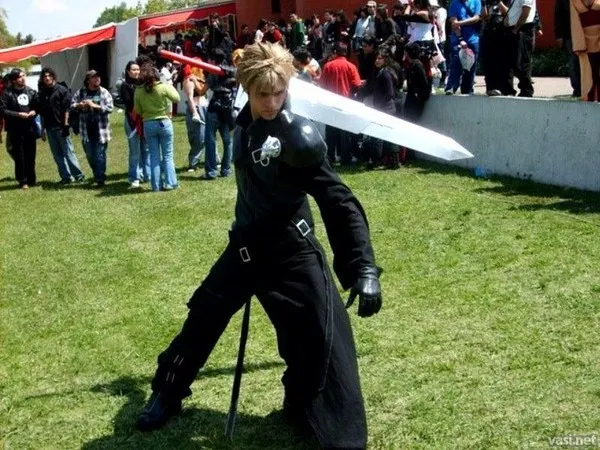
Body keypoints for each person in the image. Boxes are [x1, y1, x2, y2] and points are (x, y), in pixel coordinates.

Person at [135, 42, 383, 450]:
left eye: (279, 93)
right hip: (246, 247)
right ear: (247, 89)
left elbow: (338, 200)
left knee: (323, 337)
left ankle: (309, 410)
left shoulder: (298, 136)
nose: (271, 102)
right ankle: (168, 392)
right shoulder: (243, 123)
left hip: (291, 250)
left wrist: (364, 267)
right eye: (262, 93)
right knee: (202, 318)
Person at [134, 64, 180, 192]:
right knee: (168, 155)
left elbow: (137, 110)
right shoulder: (163, 87)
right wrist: (169, 85)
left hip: (148, 123)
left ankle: (156, 186)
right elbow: (177, 98)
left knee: (154, 156)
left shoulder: (138, 91)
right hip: (164, 122)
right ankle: (171, 183)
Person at [38, 67, 85, 185]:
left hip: (61, 127)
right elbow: (42, 113)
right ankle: (66, 177)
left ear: (53, 77)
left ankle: (78, 176)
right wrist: (42, 130)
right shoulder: (42, 93)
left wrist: (65, 125)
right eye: (45, 76)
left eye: (49, 75)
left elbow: (66, 109)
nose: (47, 78)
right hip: (49, 128)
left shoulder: (62, 90)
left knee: (68, 152)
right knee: (57, 155)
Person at [71, 70, 113, 187]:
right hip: (86, 130)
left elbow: (110, 108)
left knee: (100, 156)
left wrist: (94, 105)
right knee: (90, 156)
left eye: (98, 76)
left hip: (101, 130)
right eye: (94, 77)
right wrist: (79, 105)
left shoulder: (104, 92)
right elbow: (72, 104)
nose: (97, 79)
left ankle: (100, 179)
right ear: (88, 80)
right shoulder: (81, 92)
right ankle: (97, 173)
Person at [0, 68, 40, 189]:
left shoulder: (31, 91)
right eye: (19, 77)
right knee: (19, 156)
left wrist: (34, 111)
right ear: (13, 80)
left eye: (23, 76)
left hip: (29, 128)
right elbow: (2, 110)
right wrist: (18, 115)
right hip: (15, 129)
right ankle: (23, 181)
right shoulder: (7, 94)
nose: (23, 79)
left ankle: (32, 179)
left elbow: (37, 106)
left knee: (31, 155)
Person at [120, 61, 150, 188]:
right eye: (133, 70)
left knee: (146, 149)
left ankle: (147, 174)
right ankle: (134, 176)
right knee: (135, 150)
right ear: (128, 72)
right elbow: (129, 104)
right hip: (132, 121)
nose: (136, 72)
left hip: (144, 120)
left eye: (138, 69)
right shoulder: (125, 85)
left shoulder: (143, 84)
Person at [570, 0, 600, 101]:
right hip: (584, 42)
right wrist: (579, 44)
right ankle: (590, 97)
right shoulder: (574, 1)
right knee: (589, 73)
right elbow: (574, 22)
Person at [182, 64, 208, 172]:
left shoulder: (198, 79)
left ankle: (214, 160)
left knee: (209, 136)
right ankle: (193, 163)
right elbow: (190, 98)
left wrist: (198, 79)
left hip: (204, 107)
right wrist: (194, 113)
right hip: (197, 109)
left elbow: (203, 89)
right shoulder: (189, 81)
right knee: (199, 137)